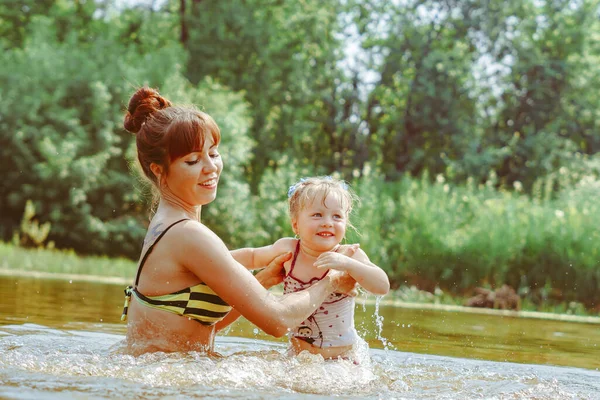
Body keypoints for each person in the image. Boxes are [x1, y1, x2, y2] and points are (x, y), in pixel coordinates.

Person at [119, 87, 356, 356]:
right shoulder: (186, 234)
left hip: (164, 373)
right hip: (164, 382)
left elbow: (199, 328)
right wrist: (331, 282)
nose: (211, 167)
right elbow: (277, 321)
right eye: (193, 160)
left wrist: (263, 280)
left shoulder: (167, 226)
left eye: (214, 152)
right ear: (159, 170)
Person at [231, 176, 390, 359]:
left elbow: (382, 286)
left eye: (337, 216)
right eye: (317, 215)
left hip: (342, 359)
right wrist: (215, 256)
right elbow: (252, 256)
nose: (328, 222)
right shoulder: (289, 250)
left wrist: (348, 265)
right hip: (299, 357)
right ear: (295, 224)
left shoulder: (349, 255)